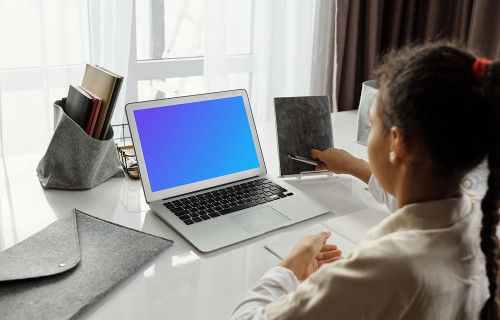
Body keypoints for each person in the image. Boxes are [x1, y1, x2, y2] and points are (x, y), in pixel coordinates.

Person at [231, 42, 500, 319]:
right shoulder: (477, 221)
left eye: (372, 127)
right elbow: (413, 199)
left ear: (398, 142)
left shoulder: (384, 270)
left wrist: (288, 268)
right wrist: (353, 166)